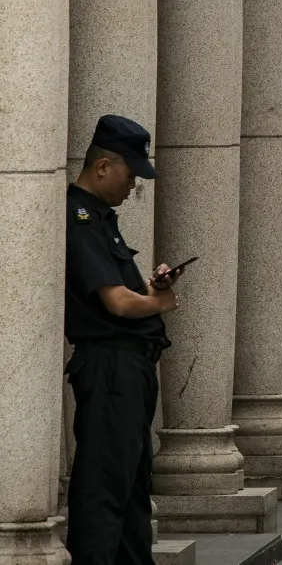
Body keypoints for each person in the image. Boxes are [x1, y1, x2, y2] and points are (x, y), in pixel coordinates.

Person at [65, 116, 179, 565]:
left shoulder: (100, 219)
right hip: (111, 368)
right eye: (130, 175)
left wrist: (150, 291)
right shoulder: (81, 220)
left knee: (130, 492)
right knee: (104, 492)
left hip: (128, 369)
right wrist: (160, 304)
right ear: (103, 166)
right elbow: (116, 303)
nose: (133, 186)